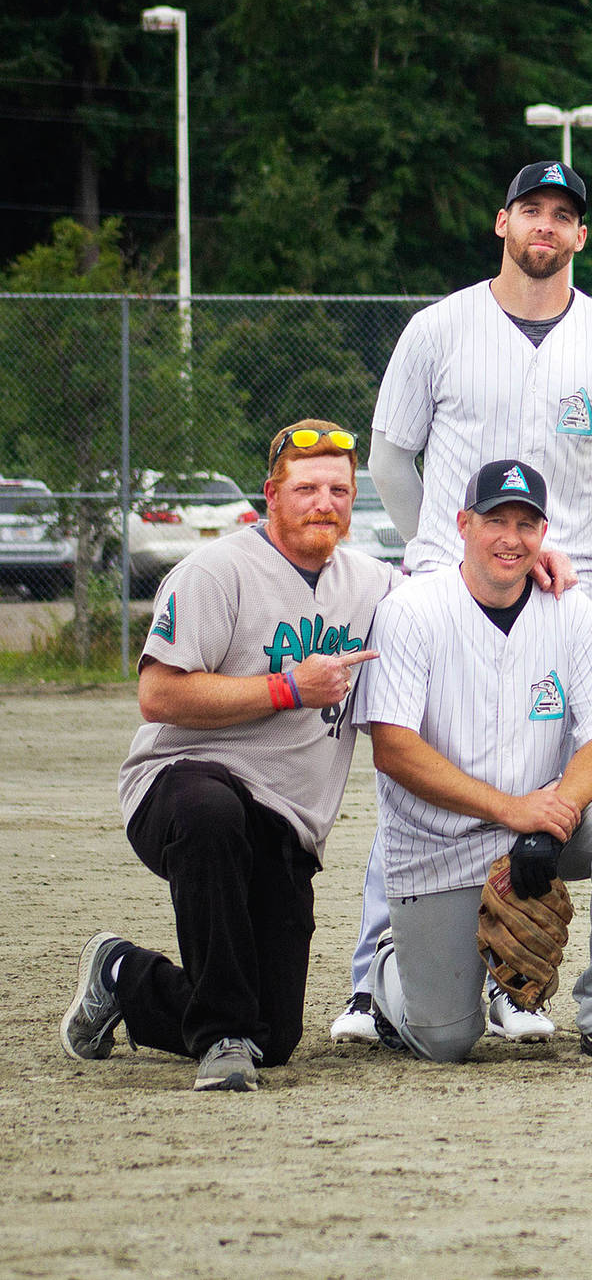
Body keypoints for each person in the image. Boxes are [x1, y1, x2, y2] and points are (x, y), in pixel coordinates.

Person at [331, 160, 592, 1045]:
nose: (545, 226)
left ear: (582, 235)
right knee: (429, 775)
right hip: (450, 575)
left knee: (547, 772)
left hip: (565, 582)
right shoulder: (439, 328)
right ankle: (374, 975)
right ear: (502, 223)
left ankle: (518, 980)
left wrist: (554, 547)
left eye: (563, 215)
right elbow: (393, 458)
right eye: (530, 211)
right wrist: (447, 553)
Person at [61, 421, 394, 1091]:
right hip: (179, 790)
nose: (323, 501)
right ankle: (219, 1039)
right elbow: (157, 691)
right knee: (213, 812)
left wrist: (532, 563)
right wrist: (288, 686)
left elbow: (461, 596)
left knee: (275, 1035)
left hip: (283, 822)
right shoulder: (217, 569)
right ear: (270, 495)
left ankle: (121, 973)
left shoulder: (375, 584)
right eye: (305, 488)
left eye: (339, 489)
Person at [353, 459, 592, 1066]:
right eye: (496, 519)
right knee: (445, 1041)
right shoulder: (414, 610)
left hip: (542, 826)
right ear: (463, 524)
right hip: (439, 844)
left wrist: (560, 811)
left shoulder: (569, 610)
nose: (511, 537)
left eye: (527, 523)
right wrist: (512, 810)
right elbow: (394, 747)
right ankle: (393, 966)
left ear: (543, 535)